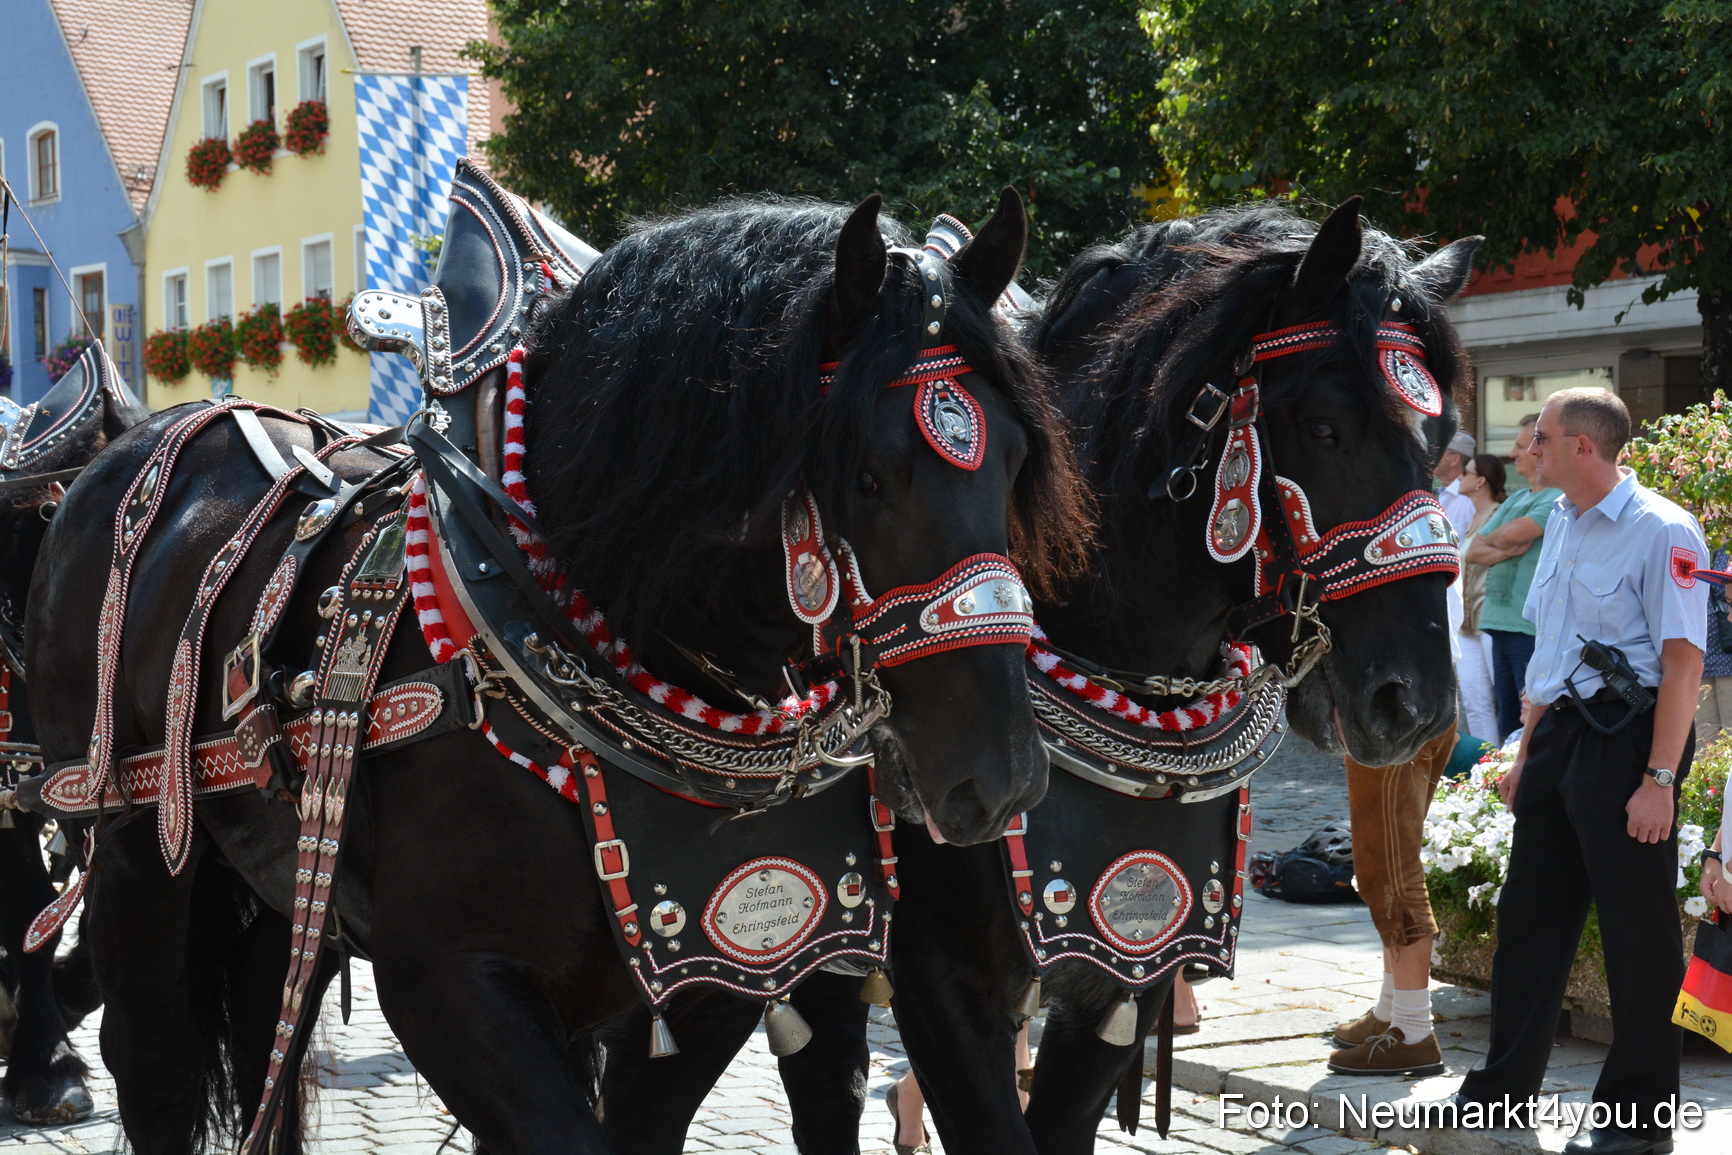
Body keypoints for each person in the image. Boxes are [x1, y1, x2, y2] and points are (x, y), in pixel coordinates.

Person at [1454, 388, 1706, 1155]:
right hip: (1561, 734)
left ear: (1584, 449)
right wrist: (1525, 752)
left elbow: (1683, 662)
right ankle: (1499, 1092)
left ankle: (1637, 1117)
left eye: (1542, 438)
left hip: (1629, 742)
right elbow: (1552, 651)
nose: (1529, 451)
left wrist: (1659, 779)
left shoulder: (1662, 529)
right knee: (1529, 921)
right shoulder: (1559, 520)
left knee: (1640, 934)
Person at [1328, 720, 1459, 1075]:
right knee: (1392, 864)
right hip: (1413, 708)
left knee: (1390, 874)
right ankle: (1393, 1011)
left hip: (1388, 716)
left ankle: (1413, 1032)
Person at [1467, 414, 1562, 741]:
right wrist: (1507, 549)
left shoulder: (1554, 498)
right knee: (1505, 710)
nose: (1515, 453)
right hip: (1498, 620)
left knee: (1529, 713)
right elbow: (1474, 550)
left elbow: (1509, 533)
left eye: (1522, 446)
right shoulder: (1520, 498)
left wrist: (1500, 539)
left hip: (1527, 624)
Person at [1456, 454, 1507, 744]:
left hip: (1491, 617)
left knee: (1503, 697)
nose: (1461, 476)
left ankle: (1509, 766)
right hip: (1467, 621)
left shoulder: (1500, 513)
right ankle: (1485, 766)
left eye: (1466, 471)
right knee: (1475, 701)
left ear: (1481, 481)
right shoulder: (1473, 518)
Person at [1695, 548, 1732, 749]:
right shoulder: (1700, 541)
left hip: (1728, 659)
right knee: (1702, 739)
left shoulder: (1727, 545)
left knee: (1730, 732)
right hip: (1700, 656)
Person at [1435, 431, 1477, 535]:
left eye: (1438, 452)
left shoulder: (1470, 498)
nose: (1432, 458)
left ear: (1455, 459)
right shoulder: (1442, 492)